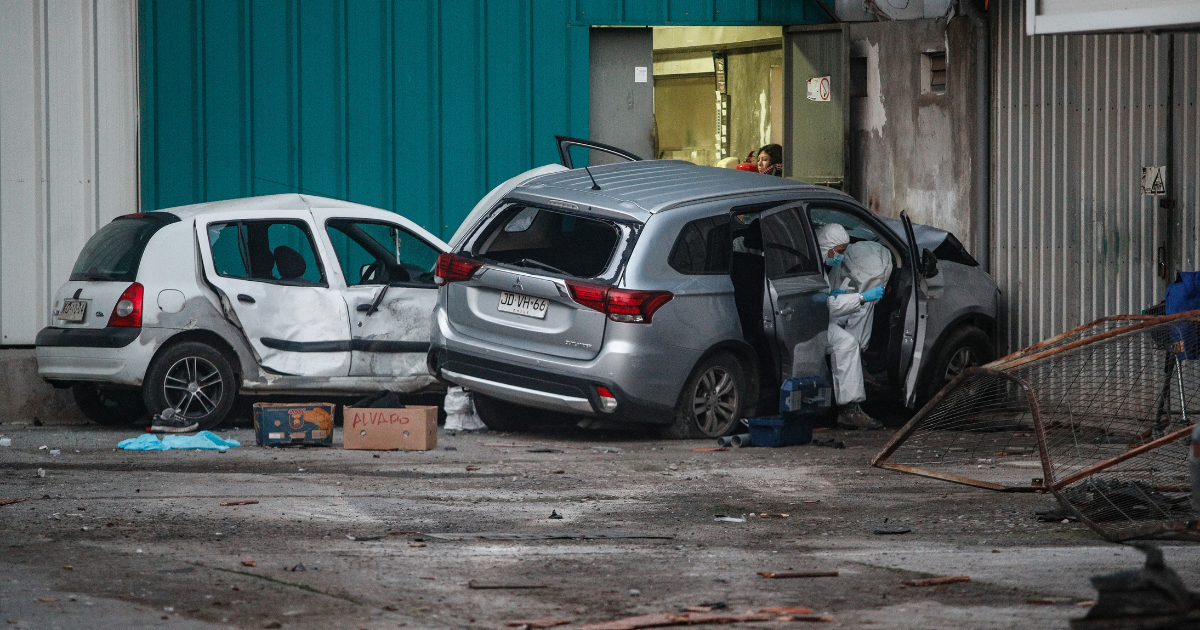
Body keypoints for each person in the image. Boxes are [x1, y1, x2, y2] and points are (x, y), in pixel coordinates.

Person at [816, 223, 892, 430]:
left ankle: (858, 362)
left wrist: (844, 297)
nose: (840, 257)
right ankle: (850, 410)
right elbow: (825, 309)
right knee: (847, 343)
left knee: (862, 308)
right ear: (827, 247)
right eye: (839, 252)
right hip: (812, 326)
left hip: (818, 319)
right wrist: (860, 297)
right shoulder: (814, 265)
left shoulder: (820, 263)